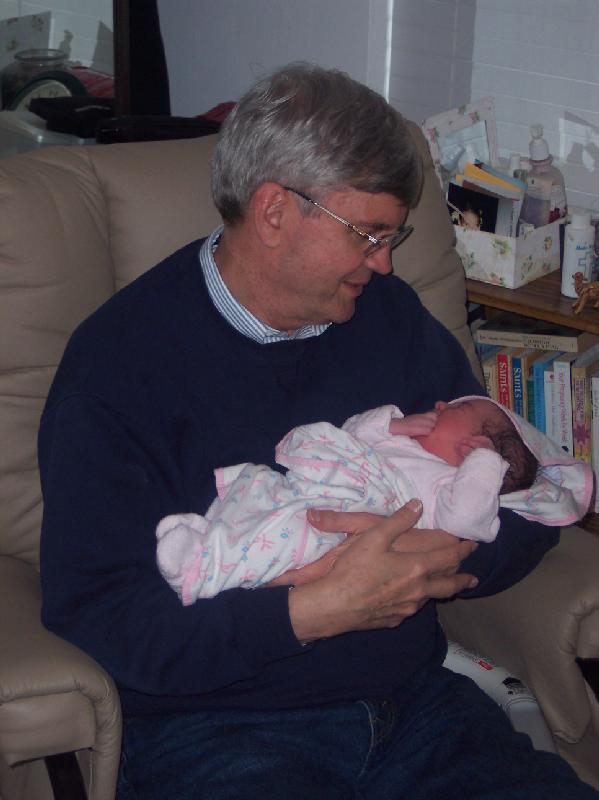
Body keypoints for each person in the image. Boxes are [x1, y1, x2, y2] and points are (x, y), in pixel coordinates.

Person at [38, 62, 599, 799]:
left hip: (419, 711)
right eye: (367, 235)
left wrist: (449, 548)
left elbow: (520, 476)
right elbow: (100, 615)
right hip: (218, 727)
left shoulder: (388, 318)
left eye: (394, 236)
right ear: (274, 211)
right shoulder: (118, 368)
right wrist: (307, 612)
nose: (386, 262)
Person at [156, 396, 592, 602]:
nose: (437, 404)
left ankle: (205, 567)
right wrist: (395, 427)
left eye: (448, 412)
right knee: (256, 487)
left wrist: (483, 465)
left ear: (472, 446)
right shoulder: (407, 442)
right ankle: (211, 532)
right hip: (313, 486)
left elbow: (467, 522)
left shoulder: (447, 487)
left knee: (292, 537)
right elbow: (354, 433)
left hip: (348, 521)